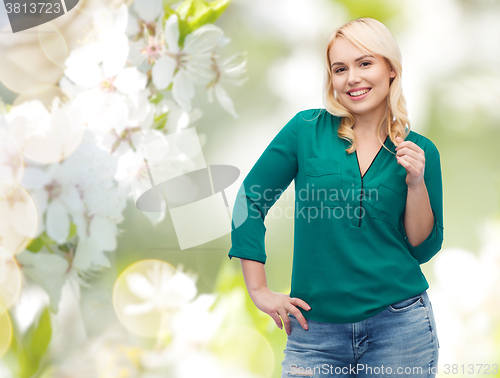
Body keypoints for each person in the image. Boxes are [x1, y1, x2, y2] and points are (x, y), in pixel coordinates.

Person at [228, 17, 443, 378]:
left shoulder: (420, 151)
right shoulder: (305, 131)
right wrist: (259, 289)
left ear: (390, 69)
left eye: (365, 63)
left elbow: (422, 248)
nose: (352, 78)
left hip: (400, 327)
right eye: (340, 68)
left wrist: (416, 183)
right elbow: (250, 200)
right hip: (315, 336)